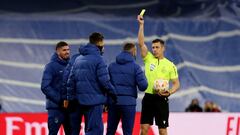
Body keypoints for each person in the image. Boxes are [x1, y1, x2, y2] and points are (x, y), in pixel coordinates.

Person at [137, 15, 180, 135]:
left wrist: (169, 92)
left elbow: (177, 84)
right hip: (148, 97)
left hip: (162, 99)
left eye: (157, 47)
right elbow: (141, 44)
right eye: (153, 47)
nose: (154, 49)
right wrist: (141, 25)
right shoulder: (148, 58)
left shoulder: (170, 65)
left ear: (163, 48)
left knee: (162, 130)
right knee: (144, 129)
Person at [67, 32, 117, 135]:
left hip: (80, 102)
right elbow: (105, 82)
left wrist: (70, 99)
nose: (104, 48)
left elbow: (71, 81)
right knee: (95, 131)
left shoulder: (78, 59)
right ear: (99, 43)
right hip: (95, 102)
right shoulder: (99, 60)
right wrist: (113, 94)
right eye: (103, 45)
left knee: (88, 130)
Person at [106, 43, 148, 135]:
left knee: (110, 131)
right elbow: (143, 86)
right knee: (128, 132)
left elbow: (106, 85)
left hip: (113, 103)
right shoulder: (136, 68)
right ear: (133, 51)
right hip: (129, 104)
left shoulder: (111, 66)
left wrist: (107, 102)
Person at [41, 41, 79, 135]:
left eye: (68, 50)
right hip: (56, 108)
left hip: (70, 108)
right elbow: (45, 86)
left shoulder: (72, 66)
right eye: (64, 50)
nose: (67, 52)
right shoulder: (50, 66)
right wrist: (61, 100)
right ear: (58, 52)